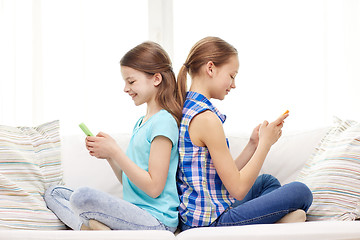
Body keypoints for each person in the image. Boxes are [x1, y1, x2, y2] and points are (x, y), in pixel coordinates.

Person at [176, 36, 313, 231]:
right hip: (212, 223)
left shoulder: (187, 108)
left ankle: (269, 220)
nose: (233, 84)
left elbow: (221, 176)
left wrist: (252, 145)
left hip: (201, 214)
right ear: (211, 68)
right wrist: (266, 144)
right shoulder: (207, 119)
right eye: (232, 76)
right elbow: (238, 190)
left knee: (267, 182)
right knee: (301, 191)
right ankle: (275, 222)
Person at [44, 41, 181, 232]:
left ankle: (94, 229)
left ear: (156, 79)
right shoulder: (141, 122)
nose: (126, 88)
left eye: (131, 81)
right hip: (135, 212)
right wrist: (109, 156)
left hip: (157, 220)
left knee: (82, 197)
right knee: (54, 193)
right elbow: (130, 182)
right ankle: (91, 230)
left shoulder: (164, 122)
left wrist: (115, 152)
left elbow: (154, 188)